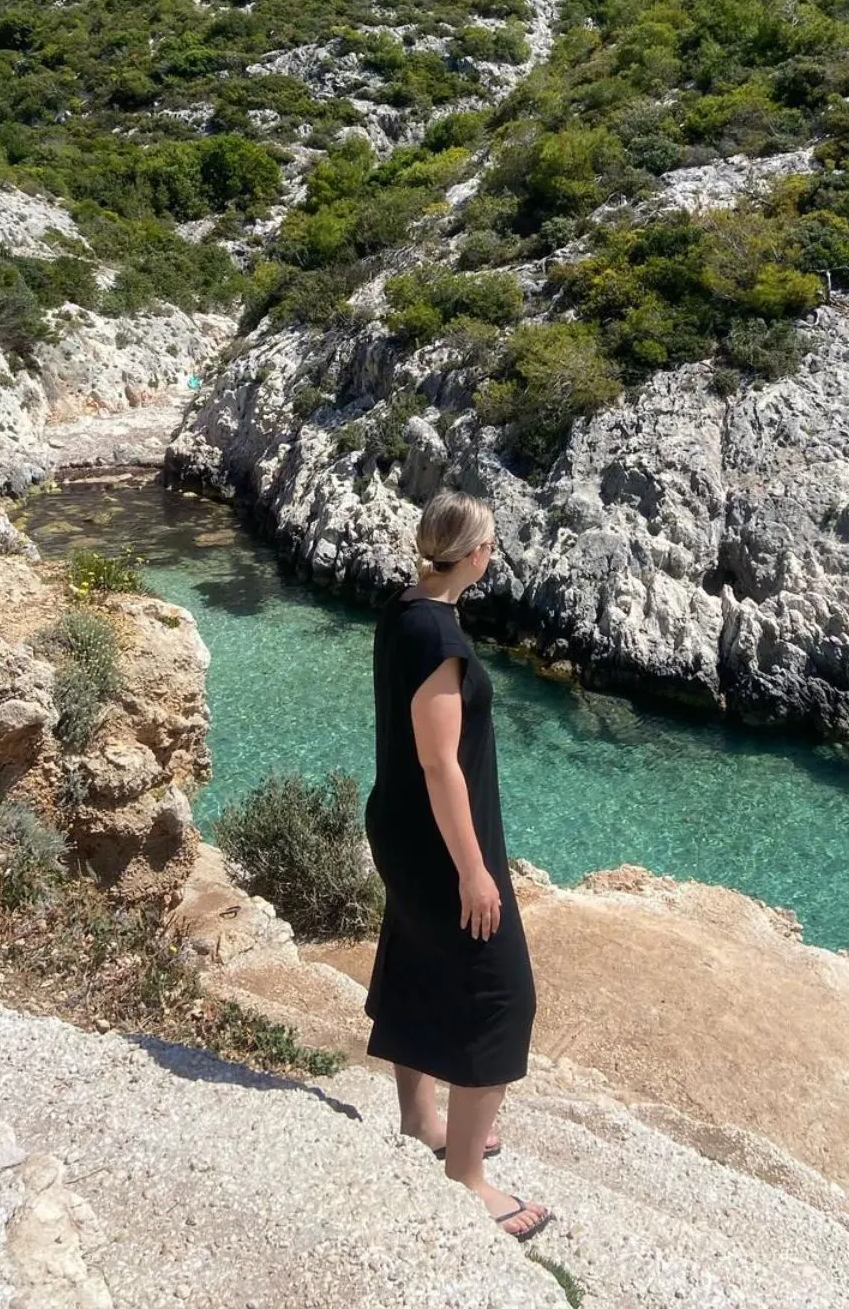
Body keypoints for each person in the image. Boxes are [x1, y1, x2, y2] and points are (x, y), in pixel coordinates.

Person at [364, 489, 551, 1243]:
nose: (494, 554)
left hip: (403, 830)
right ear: (474, 555)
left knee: (416, 957)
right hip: (443, 841)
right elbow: (443, 766)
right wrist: (475, 872)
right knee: (502, 996)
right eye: (492, 544)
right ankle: (466, 1179)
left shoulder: (404, 610)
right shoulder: (440, 641)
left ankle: (419, 1117)